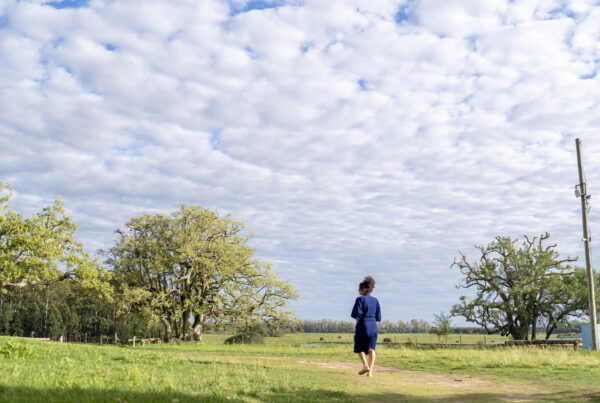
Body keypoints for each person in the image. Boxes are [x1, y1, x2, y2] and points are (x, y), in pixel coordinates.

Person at [351, 276, 381, 377]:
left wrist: (359, 323)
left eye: (359, 288)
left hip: (363, 324)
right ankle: (370, 372)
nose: (358, 290)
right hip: (373, 326)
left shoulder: (360, 299)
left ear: (364, 289)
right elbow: (378, 316)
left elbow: (357, 315)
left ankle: (365, 365)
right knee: (372, 348)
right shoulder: (375, 300)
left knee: (359, 347)